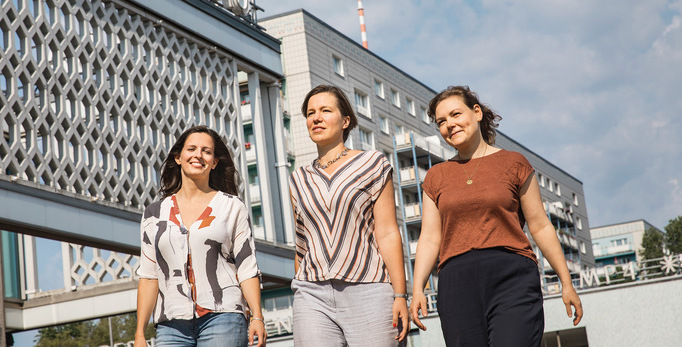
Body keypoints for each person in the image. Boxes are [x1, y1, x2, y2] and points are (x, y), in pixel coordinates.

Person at [409, 86, 584, 346]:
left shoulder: (514, 163)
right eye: (441, 121)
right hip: (457, 284)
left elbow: (540, 226)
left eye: (456, 114)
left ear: (476, 112)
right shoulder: (436, 176)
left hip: (511, 276)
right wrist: (417, 289)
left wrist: (566, 282)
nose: (449, 125)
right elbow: (430, 237)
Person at [289, 85, 410, 346]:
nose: (316, 118)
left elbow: (388, 232)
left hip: (368, 289)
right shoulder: (298, 178)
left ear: (345, 121)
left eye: (325, 110)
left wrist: (400, 294)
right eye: (310, 113)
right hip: (312, 293)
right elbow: (301, 244)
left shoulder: (373, 164)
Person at [135, 126, 266, 347]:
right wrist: (139, 333)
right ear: (178, 157)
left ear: (214, 162)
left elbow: (247, 266)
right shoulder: (154, 214)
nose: (198, 155)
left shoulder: (232, 207)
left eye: (206, 151)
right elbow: (149, 276)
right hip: (171, 324)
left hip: (223, 317)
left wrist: (257, 316)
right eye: (192, 149)